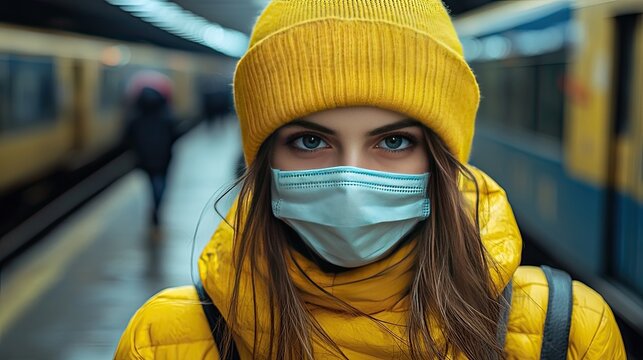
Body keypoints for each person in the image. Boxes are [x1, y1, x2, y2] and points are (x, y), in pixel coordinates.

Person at [116, 1, 625, 359]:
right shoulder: (164, 338)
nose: (351, 179)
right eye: (311, 142)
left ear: (441, 163)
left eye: (395, 142)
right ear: (264, 160)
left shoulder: (567, 332)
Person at [125, 84, 177, 227]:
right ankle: (157, 209)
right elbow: (174, 135)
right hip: (163, 159)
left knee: (152, 184)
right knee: (160, 185)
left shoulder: (135, 119)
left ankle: (155, 208)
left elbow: (128, 139)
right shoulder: (166, 116)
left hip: (145, 160)